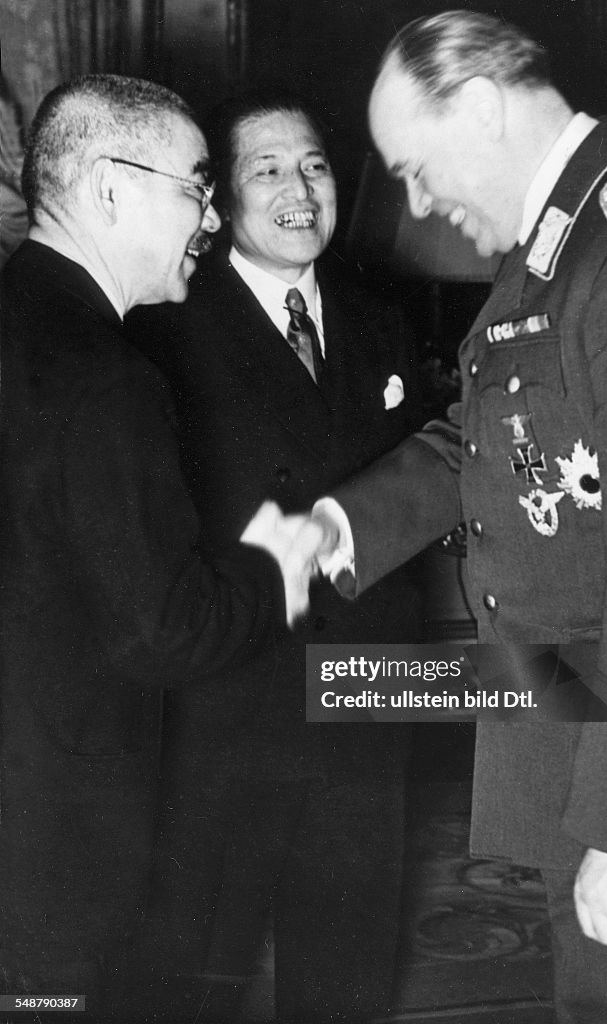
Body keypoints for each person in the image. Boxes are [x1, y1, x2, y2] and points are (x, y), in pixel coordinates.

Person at [280, 11, 607, 1023]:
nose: (421, 202)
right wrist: (342, 525)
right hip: (580, 732)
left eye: (417, 168)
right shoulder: (562, 248)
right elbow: (492, 429)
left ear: (478, 109)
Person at [0, 74, 300, 1023]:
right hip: (61, 831)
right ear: (109, 189)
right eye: (197, 187)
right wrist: (275, 569)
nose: (213, 220)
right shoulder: (109, 376)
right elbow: (163, 635)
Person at [128, 92, 421, 1024]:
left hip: (364, 709)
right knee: (192, 976)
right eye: (267, 170)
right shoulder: (160, 331)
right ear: (217, 199)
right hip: (227, 722)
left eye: (316, 166)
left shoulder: (385, 320)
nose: (300, 191)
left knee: (347, 976)